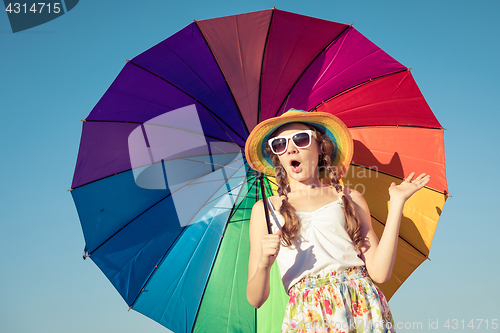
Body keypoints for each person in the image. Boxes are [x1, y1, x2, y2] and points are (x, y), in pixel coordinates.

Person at [244, 109, 430, 333]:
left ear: (320, 148)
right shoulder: (265, 210)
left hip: (362, 304)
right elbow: (255, 299)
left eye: (301, 139)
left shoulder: (349, 197)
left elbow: (380, 273)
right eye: (280, 144)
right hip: (308, 313)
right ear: (278, 157)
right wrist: (264, 263)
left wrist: (397, 202)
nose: (291, 148)